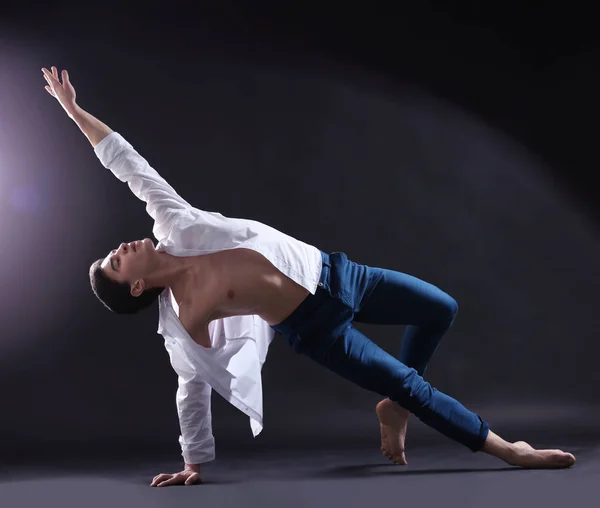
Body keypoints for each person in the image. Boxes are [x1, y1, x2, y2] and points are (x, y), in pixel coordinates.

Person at [42, 66, 576, 487]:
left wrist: (73, 110)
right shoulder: (189, 316)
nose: (120, 248)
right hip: (317, 329)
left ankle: (393, 409)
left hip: (336, 273)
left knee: (441, 308)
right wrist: (195, 463)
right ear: (136, 287)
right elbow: (191, 387)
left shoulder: (175, 223)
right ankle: (509, 449)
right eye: (116, 262)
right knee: (407, 383)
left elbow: (129, 164)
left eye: (112, 252)